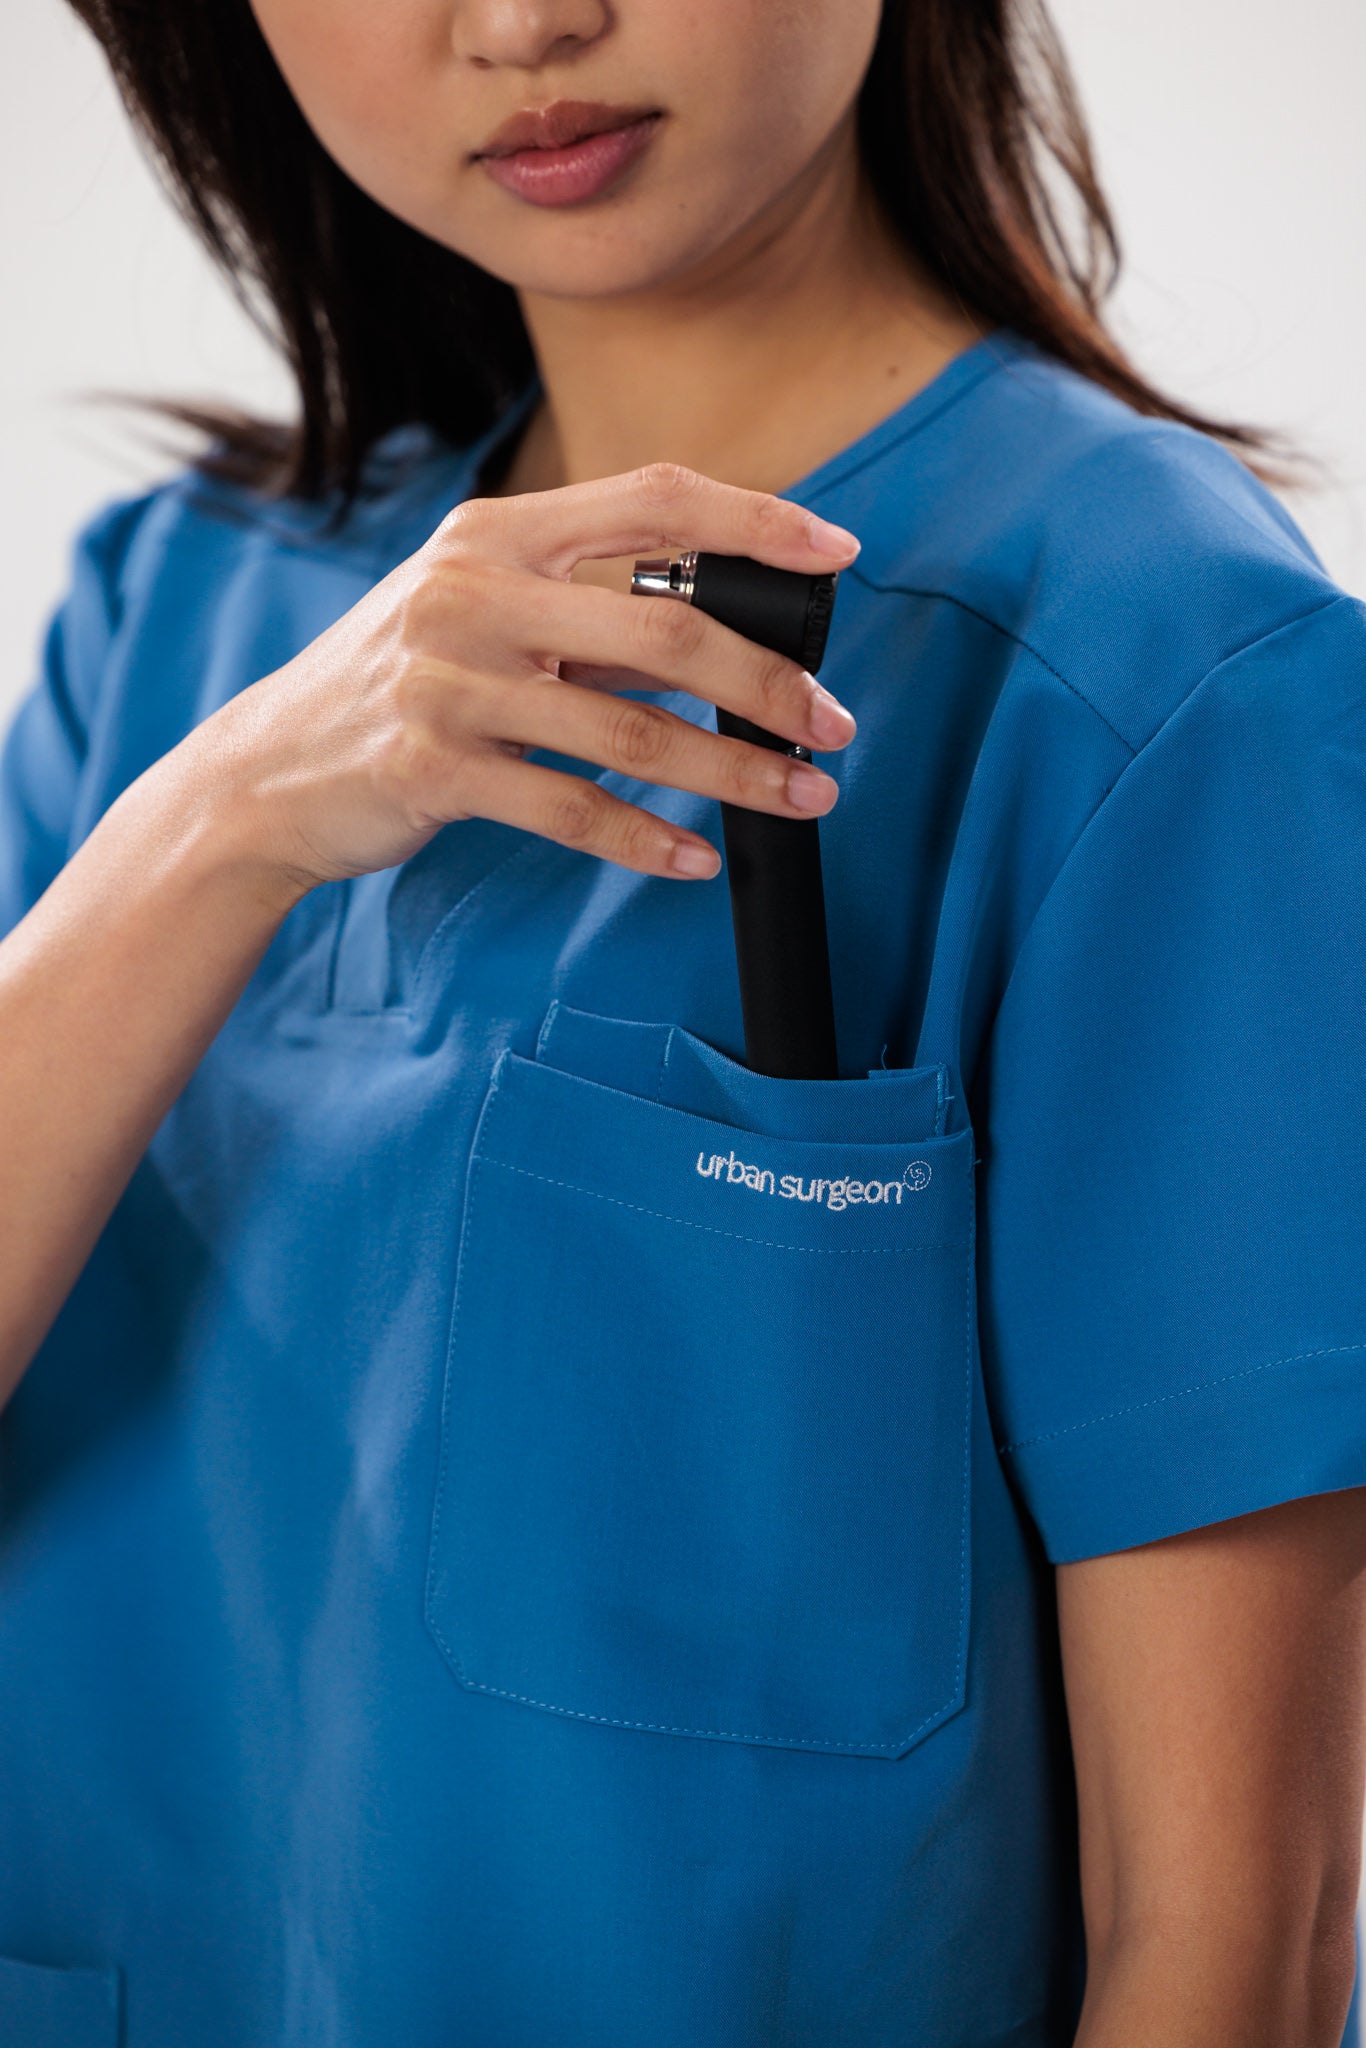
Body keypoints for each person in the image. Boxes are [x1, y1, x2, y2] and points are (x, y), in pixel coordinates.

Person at [2, 0, 1364, 2042]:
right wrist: (219, 822)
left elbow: (1220, 1946)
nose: (527, 18)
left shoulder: (1156, 678)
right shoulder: (174, 625)